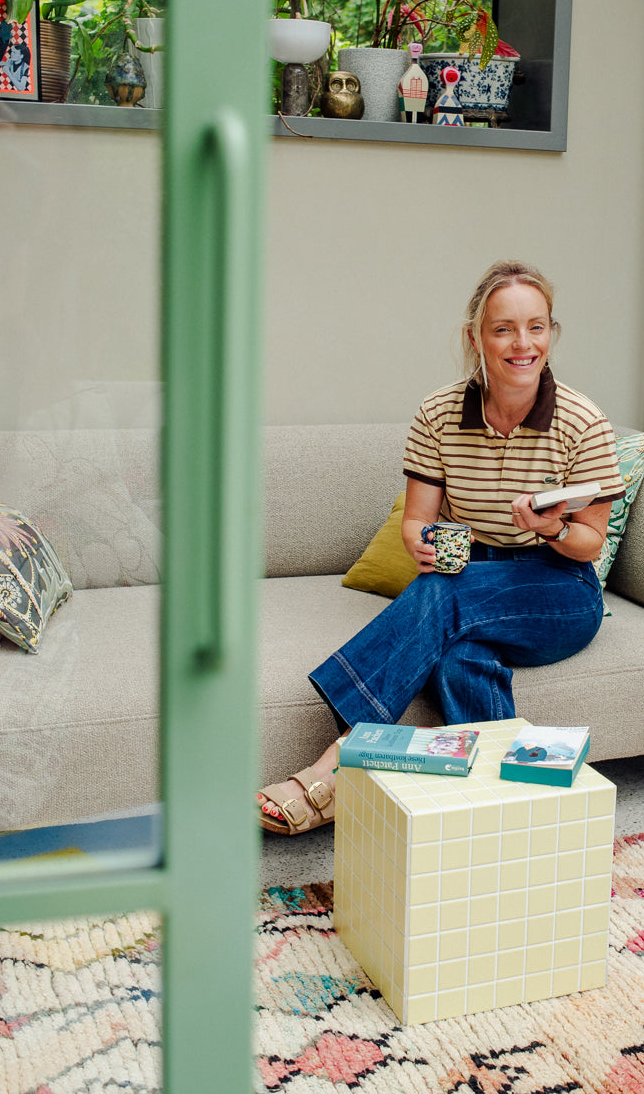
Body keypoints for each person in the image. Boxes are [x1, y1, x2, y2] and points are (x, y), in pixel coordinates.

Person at [257, 259, 625, 834]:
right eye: (503, 328)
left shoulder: (583, 422)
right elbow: (417, 522)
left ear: (552, 333)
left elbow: (589, 546)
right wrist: (422, 544)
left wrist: (550, 527)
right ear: (476, 336)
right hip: (470, 573)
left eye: (536, 326)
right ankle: (504, 812)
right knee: (459, 655)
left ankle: (335, 764)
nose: (522, 343)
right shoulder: (439, 413)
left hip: (559, 591)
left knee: (444, 597)